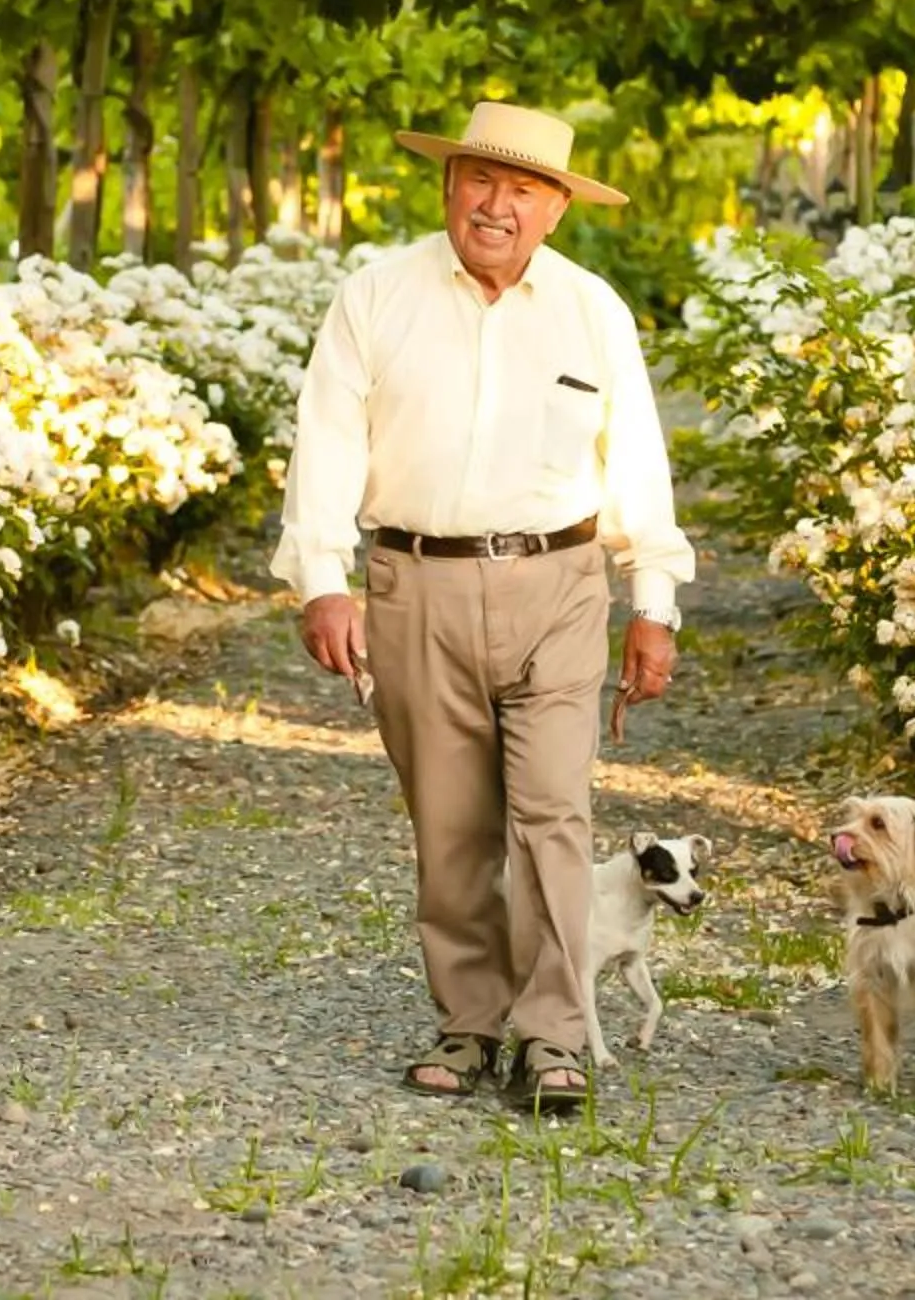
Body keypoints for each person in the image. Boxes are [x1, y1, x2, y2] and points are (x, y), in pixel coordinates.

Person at [273, 99, 693, 1113]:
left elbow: (636, 459)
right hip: (415, 582)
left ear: (557, 207)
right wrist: (323, 579)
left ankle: (553, 1035)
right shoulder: (376, 296)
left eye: (523, 188)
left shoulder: (593, 310)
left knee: (553, 812)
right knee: (452, 824)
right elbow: (325, 441)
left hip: (559, 583)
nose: (496, 204)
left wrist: (654, 599)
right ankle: (470, 1022)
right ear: (448, 185)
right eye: (480, 180)